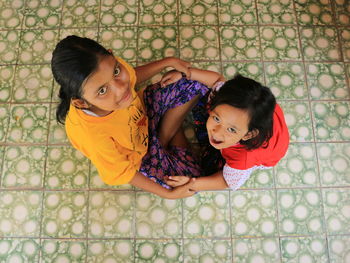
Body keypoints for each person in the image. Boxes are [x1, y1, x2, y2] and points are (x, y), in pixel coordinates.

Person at [51, 35, 209, 199]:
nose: (122, 89)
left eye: (116, 72)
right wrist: (168, 194)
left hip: (143, 111)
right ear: (81, 103)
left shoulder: (106, 68)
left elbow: (132, 76)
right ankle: (167, 133)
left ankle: (162, 138)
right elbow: (124, 172)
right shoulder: (94, 137)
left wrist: (167, 62)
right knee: (193, 181)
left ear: (112, 55)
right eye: (102, 91)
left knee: (194, 81)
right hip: (138, 155)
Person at [164, 69, 289, 191]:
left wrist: (191, 183)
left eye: (231, 129)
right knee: (192, 84)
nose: (216, 133)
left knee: (205, 172)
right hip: (262, 121)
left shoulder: (243, 158)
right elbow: (217, 79)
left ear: (248, 135)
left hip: (267, 151)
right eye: (217, 118)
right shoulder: (225, 100)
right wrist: (184, 73)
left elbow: (226, 181)